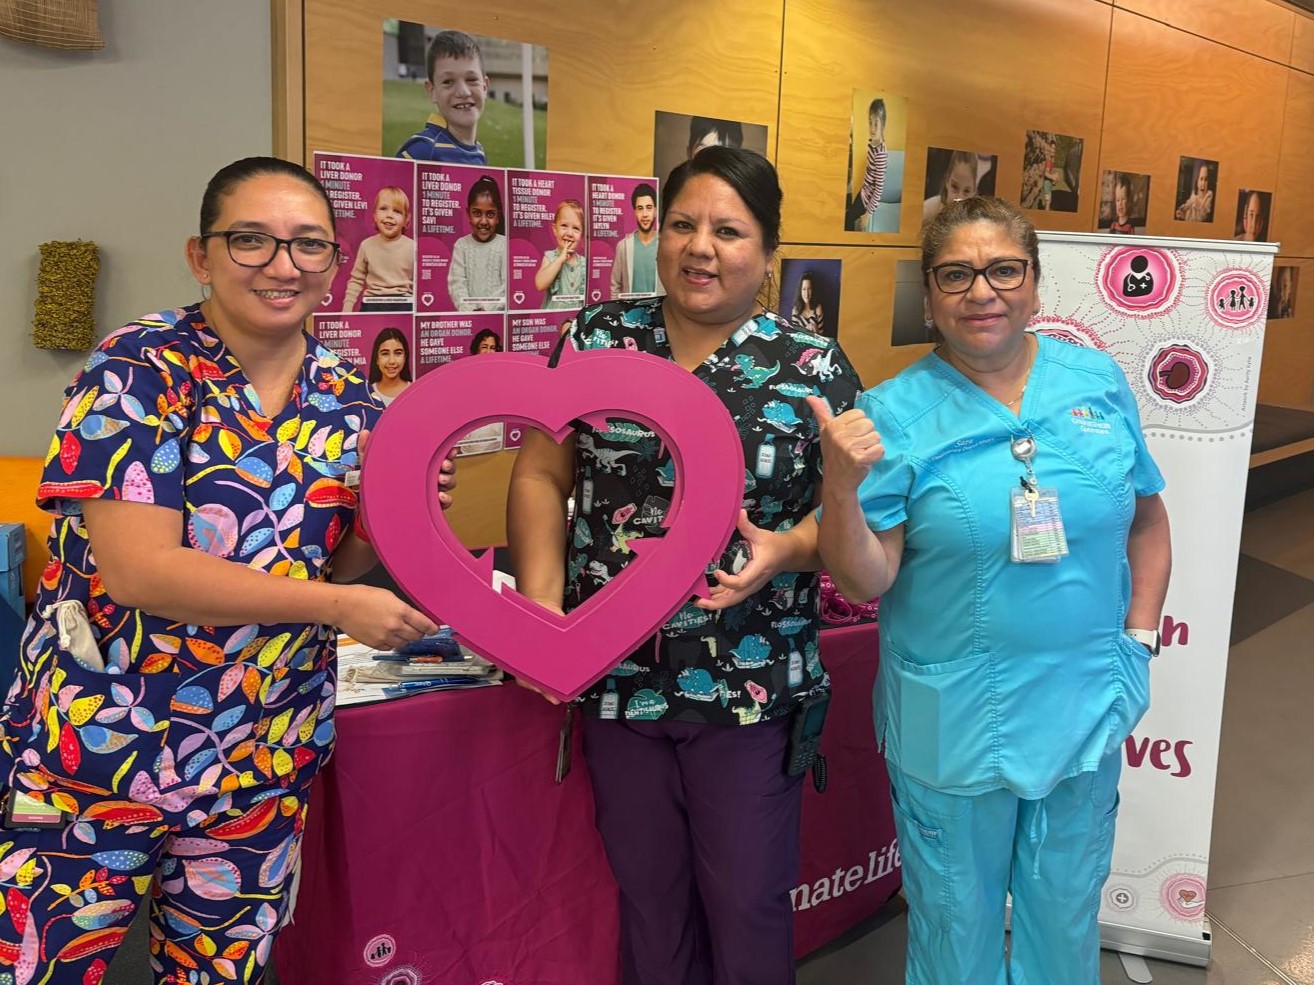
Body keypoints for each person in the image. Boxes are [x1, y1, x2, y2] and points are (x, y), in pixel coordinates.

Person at [0, 157, 453, 983]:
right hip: (104, 740)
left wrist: (396, 508)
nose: (283, 265)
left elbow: (338, 557)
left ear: (334, 263)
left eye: (309, 245)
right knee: (43, 967)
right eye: (252, 240)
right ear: (200, 256)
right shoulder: (136, 370)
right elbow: (141, 571)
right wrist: (337, 602)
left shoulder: (352, 402)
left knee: (220, 972)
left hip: (260, 750)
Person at [507, 146, 862, 985]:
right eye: (682, 224)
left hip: (750, 686)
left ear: (768, 253)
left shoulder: (810, 366)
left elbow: (848, 520)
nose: (700, 247)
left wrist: (787, 549)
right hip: (614, 678)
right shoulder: (598, 335)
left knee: (746, 901)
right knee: (648, 898)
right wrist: (540, 615)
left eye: (729, 230)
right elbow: (539, 472)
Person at [811, 196, 1172, 985]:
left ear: (1035, 283)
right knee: (955, 928)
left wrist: (1138, 640)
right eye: (957, 274)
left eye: (1005, 269)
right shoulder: (892, 415)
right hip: (956, 723)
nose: (984, 291)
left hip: (1085, 704)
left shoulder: (1095, 381)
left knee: (1066, 916)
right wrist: (840, 488)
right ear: (930, 295)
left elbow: (1146, 520)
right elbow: (863, 577)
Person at [396, 29, 489, 164]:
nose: (463, 92)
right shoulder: (423, 149)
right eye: (448, 82)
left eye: (471, 79)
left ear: (485, 87)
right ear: (432, 91)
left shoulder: (479, 152)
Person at [343, 185, 414, 312]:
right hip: (372, 303)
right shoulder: (366, 245)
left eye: (397, 211)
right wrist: (347, 307)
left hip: (404, 303)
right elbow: (356, 279)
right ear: (374, 215)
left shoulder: (413, 247)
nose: (389, 215)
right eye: (383, 209)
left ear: (406, 219)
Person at [448, 175, 507, 311]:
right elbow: (457, 284)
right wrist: (470, 310)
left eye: (490, 214)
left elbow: (507, 288)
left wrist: (485, 309)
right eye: (477, 213)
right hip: (468, 317)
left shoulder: (505, 245)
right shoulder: (461, 246)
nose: (483, 221)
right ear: (468, 214)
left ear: (498, 216)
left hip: (498, 317)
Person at [610, 182, 663, 298]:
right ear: (635, 212)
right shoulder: (623, 246)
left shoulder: (665, 244)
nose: (644, 214)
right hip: (631, 313)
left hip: (658, 312)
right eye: (640, 208)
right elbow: (615, 287)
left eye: (649, 208)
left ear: (655, 211)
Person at [534, 199, 587, 309]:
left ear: (582, 234)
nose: (569, 233)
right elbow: (540, 284)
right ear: (555, 229)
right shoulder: (550, 257)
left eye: (576, 228)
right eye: (564, 226)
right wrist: (560, 260)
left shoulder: (584, 263)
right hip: (552, 319)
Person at [845, 98, 887, 231]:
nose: (872, 128)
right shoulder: (871, 143)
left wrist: (868, 214)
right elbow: (869, 172)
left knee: (847, 219)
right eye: (870, 123)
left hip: (867, 199)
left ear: (883, 125)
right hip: (864, 191)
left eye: (876, 124)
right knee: (846, 208)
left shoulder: (880, 153)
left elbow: (879, 189)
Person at [922, 149, 978, 225]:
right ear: (947, 180)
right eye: (954, 187)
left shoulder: (977, 221)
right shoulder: (927, 210)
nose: (959, 198)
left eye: (966, 191)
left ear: (974, 191)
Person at [369, 326, 412, 405]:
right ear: (377, 359)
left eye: (398, 353)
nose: (392, 361)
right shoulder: (367, 395)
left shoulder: (414, 392)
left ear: (405, 357)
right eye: (385, 354)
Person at [790, 269, 825, 334]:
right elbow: (794, 336)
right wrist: (806, 330)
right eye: (804, 289)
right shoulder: (795, 310)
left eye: (809, 289)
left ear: (813, 290)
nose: (807, 293)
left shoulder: (818, 308)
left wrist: (815, 329)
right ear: (800, 291)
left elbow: (822, 335)